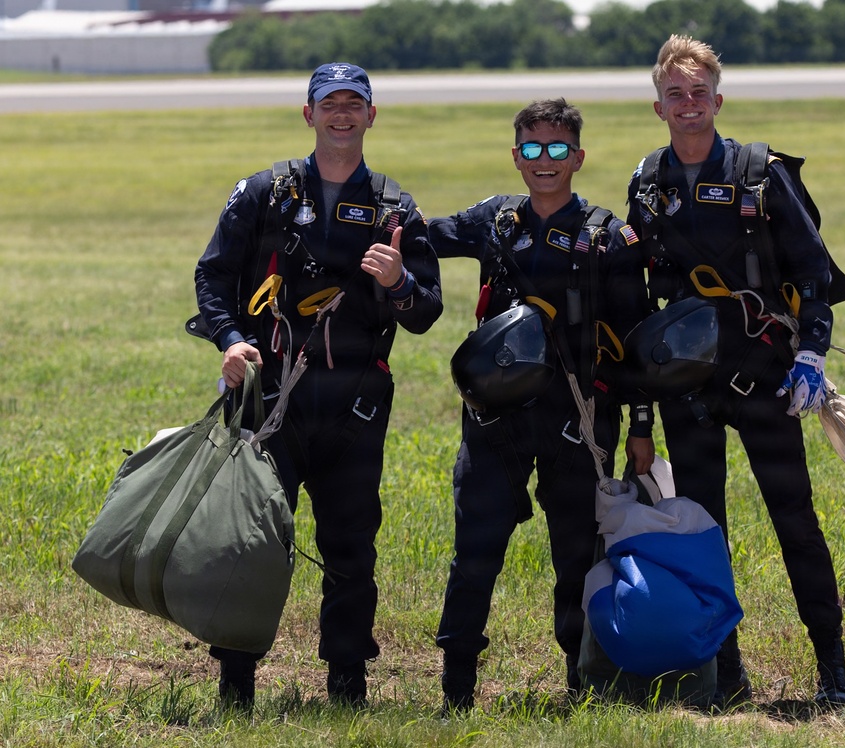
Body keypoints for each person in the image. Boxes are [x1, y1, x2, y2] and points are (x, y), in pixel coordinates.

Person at [193, 62, 443, 711]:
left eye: (353, 104)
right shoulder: (262, 193)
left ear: (370, 115)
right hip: (270, 399)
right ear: (308, 115)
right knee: (251, 540)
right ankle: (236, 684)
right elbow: (212, 278)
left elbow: (427, 313)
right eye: (328, 103)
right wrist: (229, 341)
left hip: (355, 405)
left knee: (351, 544)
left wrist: (399, 284)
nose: (341, 114)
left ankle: (347, 687)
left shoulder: (395, 208)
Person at [625, 35, 845, 710]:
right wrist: (642, 411)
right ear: (659, 105)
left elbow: (814, 275)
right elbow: (639, 302)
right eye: (676, 95)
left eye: (699, 94)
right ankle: (725, 672)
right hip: (688, 386)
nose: (688, 105)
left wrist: (812, 354)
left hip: (766, 377)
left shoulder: (761, 175)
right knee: (703, 532)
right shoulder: (647, 184)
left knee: (796, 522)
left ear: (717, 100)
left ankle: (832, 671)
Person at [429, 98, 655, 712]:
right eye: (532, 149)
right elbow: (421, 235)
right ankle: (457, 690)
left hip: (579, 423)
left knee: (577, 557)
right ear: (515, 156)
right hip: (494, 423)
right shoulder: (493, 222)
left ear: (579, 157)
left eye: (558, 150)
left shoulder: (608, 237)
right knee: (474, 552)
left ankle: (581, 681)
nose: (545, 161)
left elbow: (637, 342)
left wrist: (639, 427)